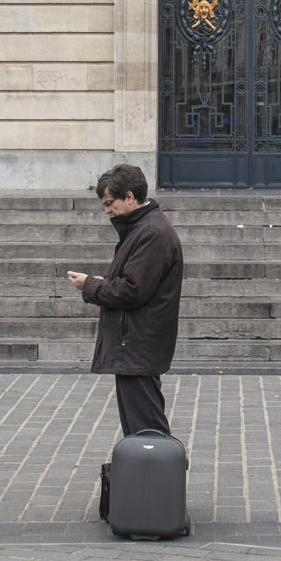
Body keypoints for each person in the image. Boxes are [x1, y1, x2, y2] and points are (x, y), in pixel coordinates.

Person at [66, 164, 184, 436]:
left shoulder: (151, 232)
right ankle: (149, 474)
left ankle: (157, 476)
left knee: (146, 429)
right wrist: (101, 284)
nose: (107, 210)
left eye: (110, 203)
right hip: (136, 343)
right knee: (140, 426)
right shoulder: (144, 228)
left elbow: (132, 290)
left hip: (138, 343)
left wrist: (91, 286)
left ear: (129, 197)